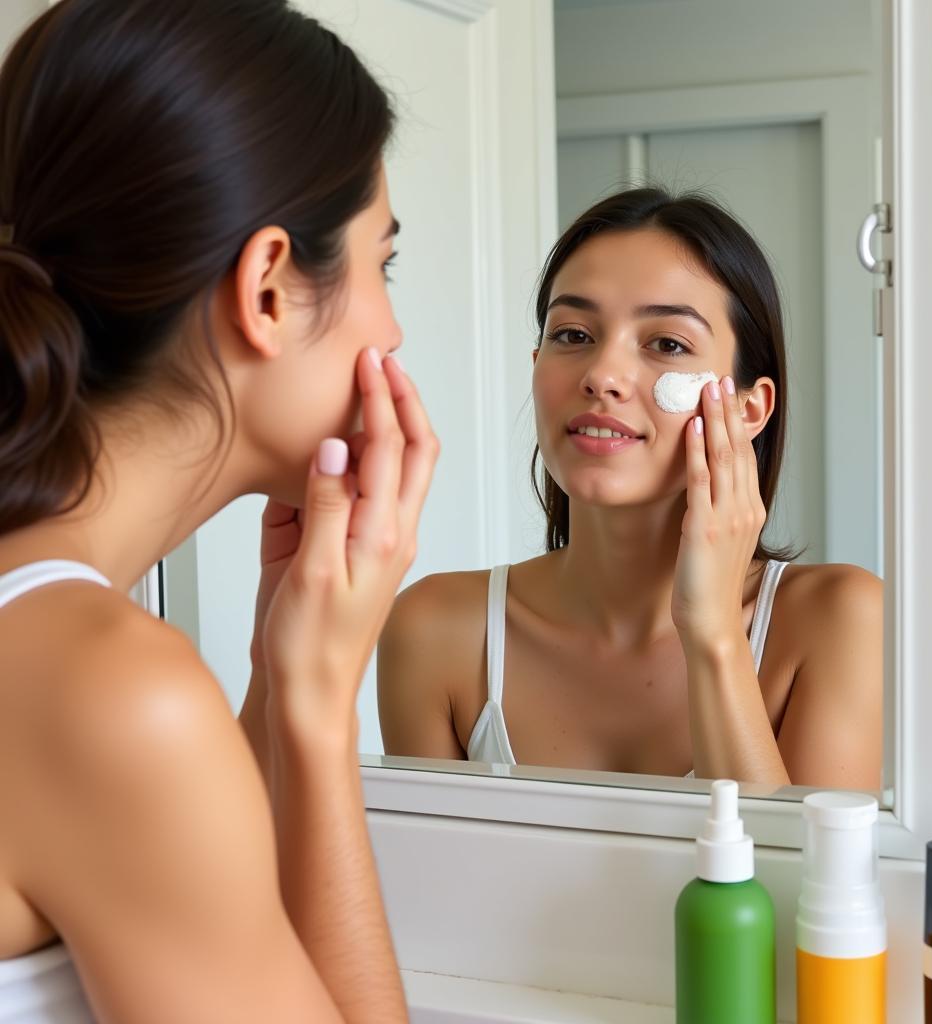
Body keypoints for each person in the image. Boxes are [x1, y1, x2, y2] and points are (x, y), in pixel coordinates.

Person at [0, 1, 438, 1020]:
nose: (393, 323)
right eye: (384, 263)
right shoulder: (109, 691)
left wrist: (271, 673)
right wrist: (319, 707)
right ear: (271, 288)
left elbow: (173, 876)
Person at [379, 187, 881, 790]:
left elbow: (792, 882)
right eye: (573, 335)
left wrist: (714, 632)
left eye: (666, 344)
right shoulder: (436, 633)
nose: (602, 376)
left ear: (750, 408)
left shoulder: (840, 621)